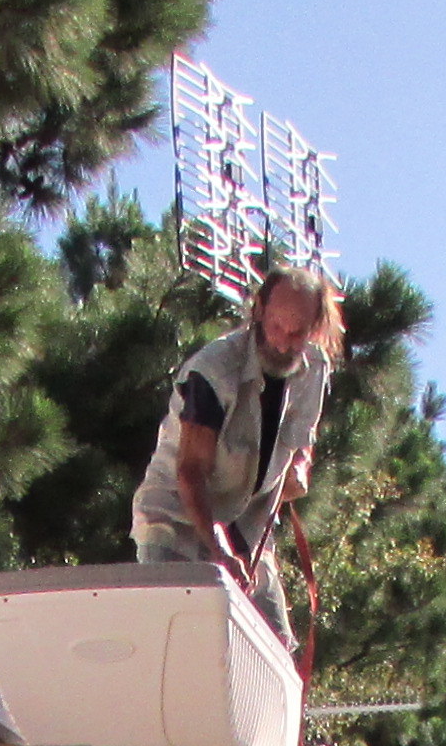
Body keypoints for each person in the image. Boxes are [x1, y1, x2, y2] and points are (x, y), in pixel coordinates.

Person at [129, 268, 340, 645]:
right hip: (178, 516)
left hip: (247, 529)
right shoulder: (214, 370)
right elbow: (191, 471)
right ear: (259, 310)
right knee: (176, 633)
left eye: (297, 334)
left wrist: (300, 466)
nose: (283, 344)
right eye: (276, 327)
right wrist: (218, 548)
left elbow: (301, 440)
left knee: (274, 646)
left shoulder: (315, 369)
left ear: (315, 328)